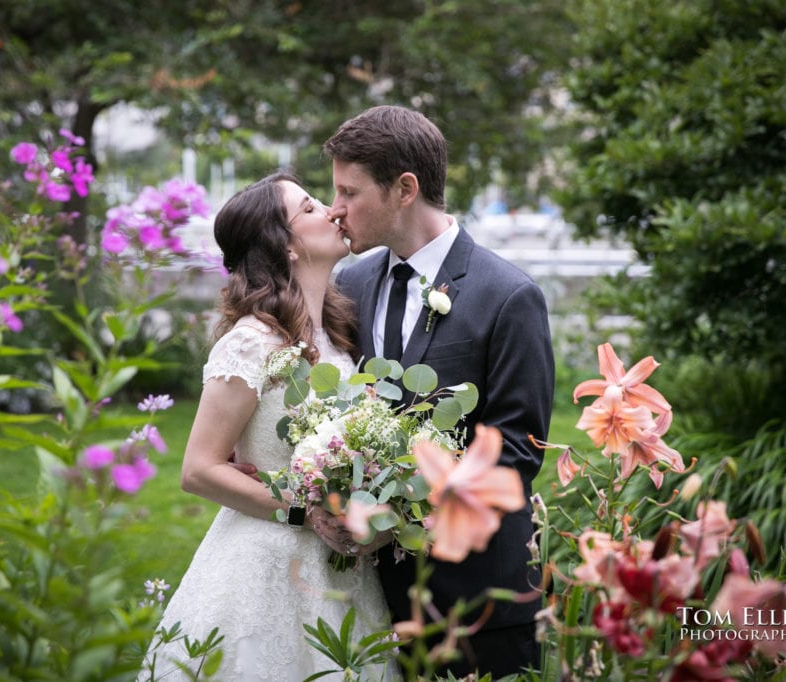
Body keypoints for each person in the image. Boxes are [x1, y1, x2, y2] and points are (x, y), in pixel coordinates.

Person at [323, 105, 555, 677]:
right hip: (372, 598)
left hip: (475, 599)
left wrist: (406, 503)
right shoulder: (349, 283)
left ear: (405, 189)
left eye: (349, 193)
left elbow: (519, 449)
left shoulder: (509, 296)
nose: (335, 210)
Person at [138, 172, 393, 681]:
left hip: (345, 573)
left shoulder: (341, 339)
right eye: (311, 207)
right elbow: (198, 470)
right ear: (287, 246)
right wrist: (306, 514)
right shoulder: (251, 341)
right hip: (267, 566)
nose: (333, 211)